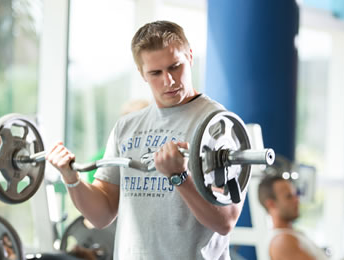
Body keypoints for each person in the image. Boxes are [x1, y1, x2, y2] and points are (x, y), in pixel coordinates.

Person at [46, 21, 243, 259]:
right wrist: (71, 178)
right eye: (156, 73)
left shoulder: (217, 126)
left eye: (175, 67)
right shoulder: (127, 127)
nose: (168, 81)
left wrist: (180, 178)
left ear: (190, 57)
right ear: (142, 73)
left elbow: (225, 222)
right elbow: (102, 216)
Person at [258, 174, 344, 260]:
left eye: (295, 195)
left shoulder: (292, 235)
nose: (297, 200)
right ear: (271, 204)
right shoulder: (282, 241)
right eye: (289, 197)